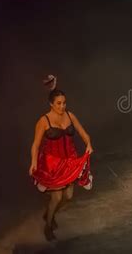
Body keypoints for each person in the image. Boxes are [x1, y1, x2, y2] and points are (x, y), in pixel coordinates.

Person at [29, 75, 94, 241]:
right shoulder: (43, 121)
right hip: (52, 163)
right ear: (51, 104)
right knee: (57, 197)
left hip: (69, 161)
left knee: (68, 197)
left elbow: (83, 133)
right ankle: (48, 226)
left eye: (64, 103)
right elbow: (36, 145)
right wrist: (34, 162)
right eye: (59, 103)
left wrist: (88, 144)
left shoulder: (70, 116)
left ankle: (48, 214)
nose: (62, 106)